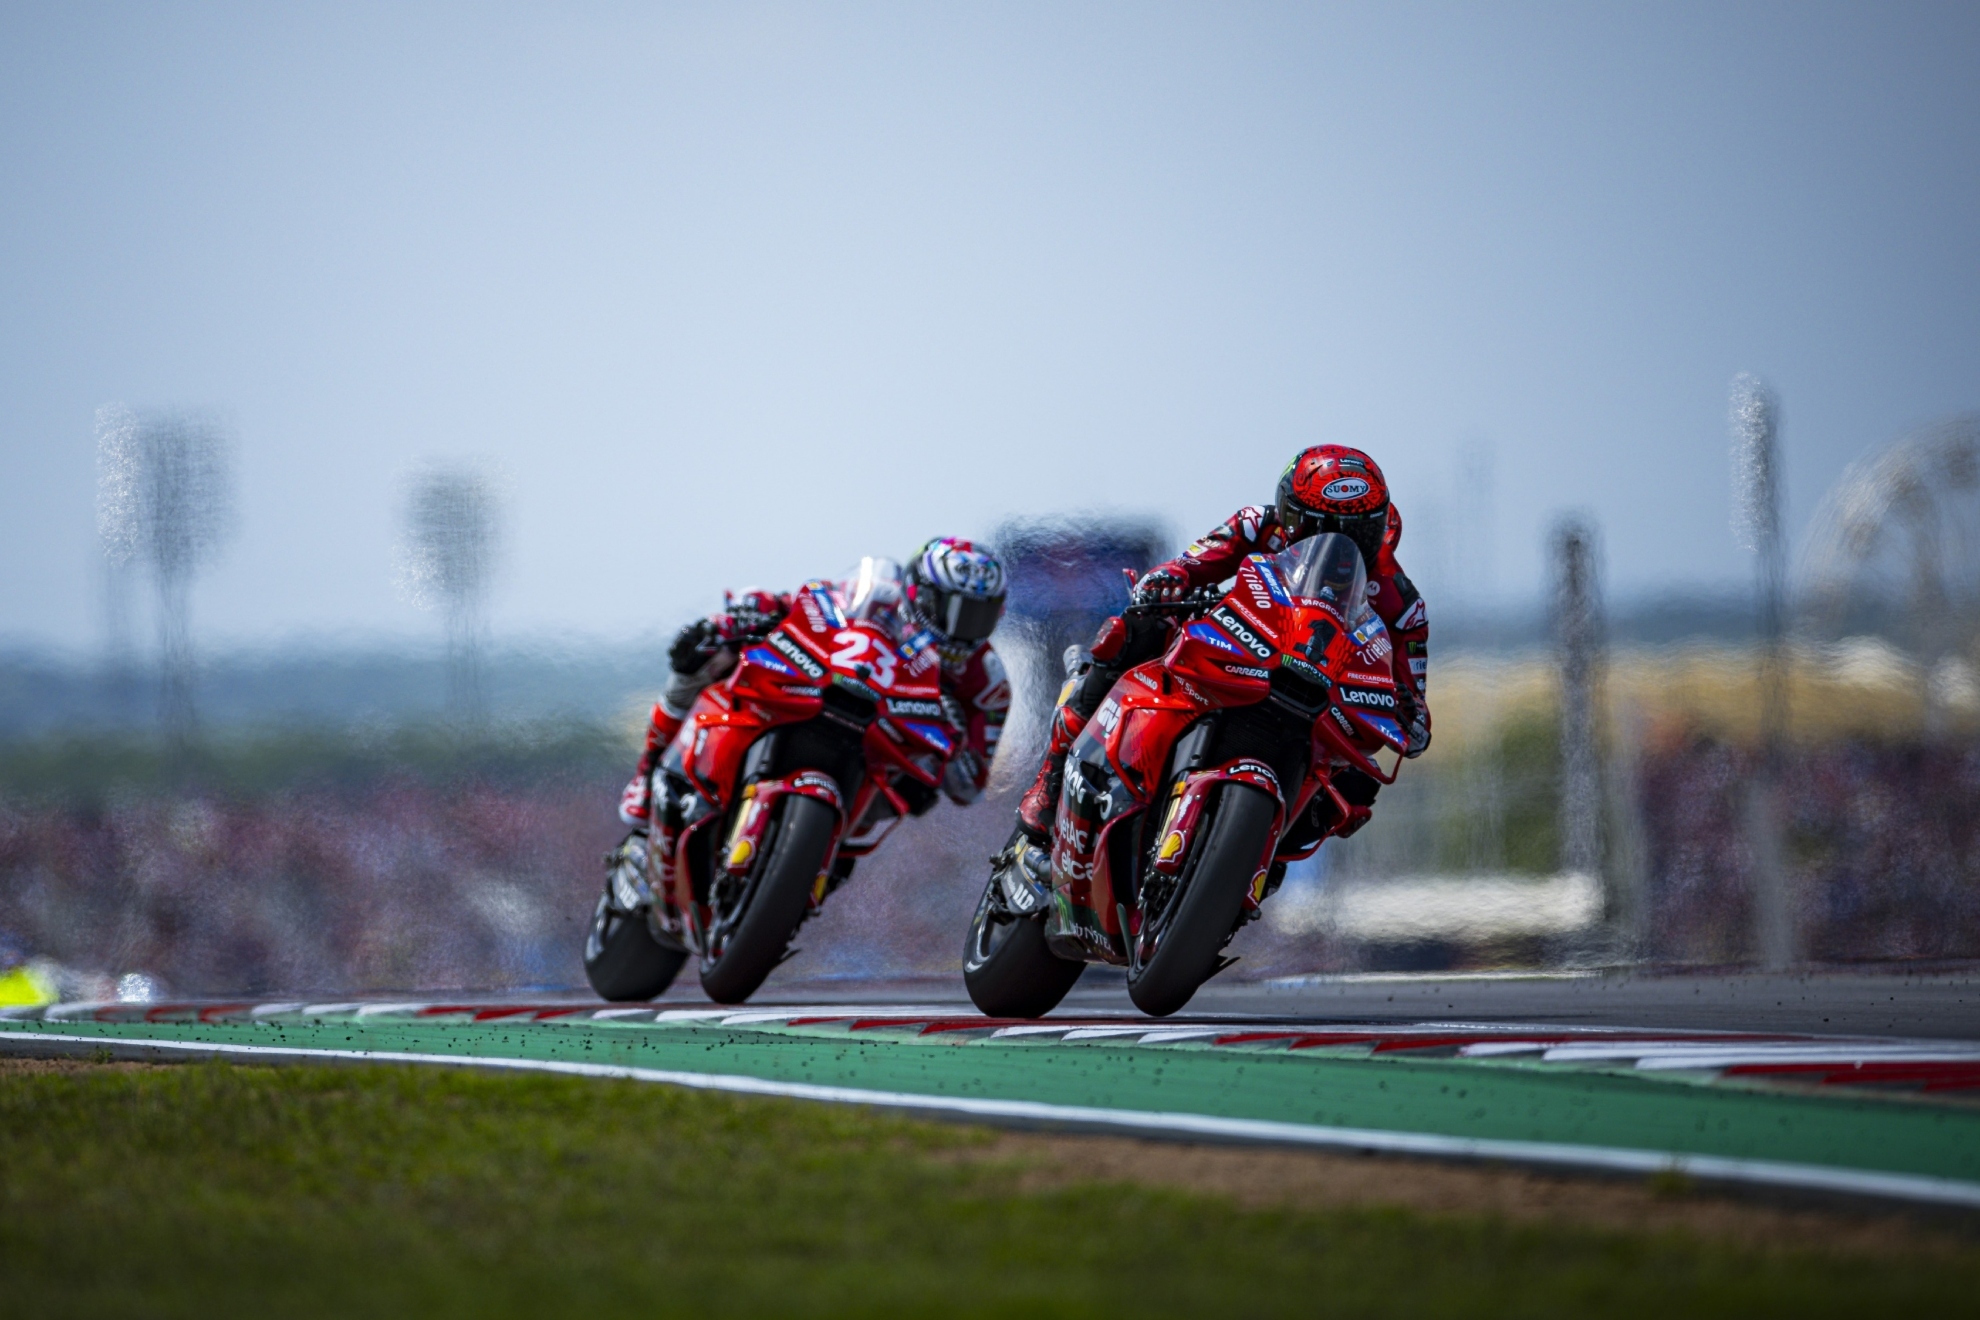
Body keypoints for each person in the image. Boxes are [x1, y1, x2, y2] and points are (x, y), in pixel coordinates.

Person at [1013, 444, 1431, 845]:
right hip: (1242, 648)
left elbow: (1414, 712)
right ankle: (1050, 780)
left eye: (1358, 533)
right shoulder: (1255, 525)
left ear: (1381, 527)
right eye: (1319, 529)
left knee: (1361, 781)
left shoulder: (1402, 604)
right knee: (1135, 628)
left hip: (1319, 693)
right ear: (1289, 517)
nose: (1340, 546)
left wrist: (1408, 712)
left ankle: (1266, 860)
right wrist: (1168, 582)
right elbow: (1187, 565)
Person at [618, 537, 1012, 826]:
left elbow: (971, 786)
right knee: (703, 650)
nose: (964, 631)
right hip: (826, 687)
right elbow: (809, 605)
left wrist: (954, 740)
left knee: (914, 795)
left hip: (886, 752)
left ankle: (817, 871)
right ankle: (647, 770)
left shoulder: (988, 680)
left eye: (979, 617)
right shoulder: (879, 596)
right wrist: (751, 611)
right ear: (920, 594)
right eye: (954, 611)